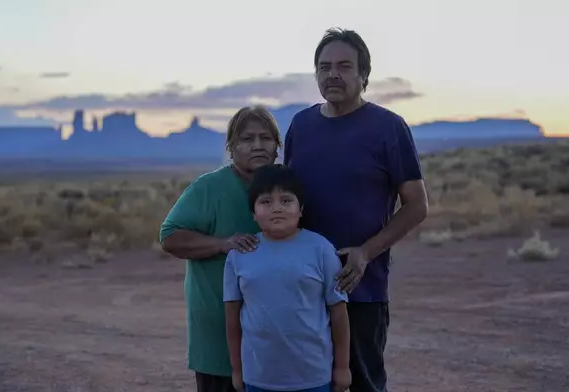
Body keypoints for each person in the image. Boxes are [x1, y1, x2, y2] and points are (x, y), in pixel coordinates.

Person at [283, 28, 429, 392]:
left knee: (361, 383)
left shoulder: (388, 128)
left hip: (360, 288)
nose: (332, 74)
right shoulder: (301, 126)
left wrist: (366, 252)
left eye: (344, 66)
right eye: (324, 66)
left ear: (364, 76)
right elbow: (286, 200)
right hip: (303, 288)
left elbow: (417, 205)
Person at [160, 105, 282, 392]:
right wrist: (222, 244)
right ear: (231, 146)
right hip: (218, 337)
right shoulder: (209, 187)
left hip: (275, 336)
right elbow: (170, 237)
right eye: (247, 139)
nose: (257, 146)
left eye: (266, 138)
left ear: (277, 146)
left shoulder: (285, 189)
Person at [223, 164, 351, 392]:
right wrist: (237, 370)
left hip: (314, 376)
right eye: (265, 202)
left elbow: (338, 313)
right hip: (258, 376)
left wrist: (342, 367)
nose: (276, 209)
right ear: (253, 212)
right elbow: (232, 318)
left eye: (286, 201)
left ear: (301, 208)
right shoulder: (239, 255)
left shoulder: (321, 249)